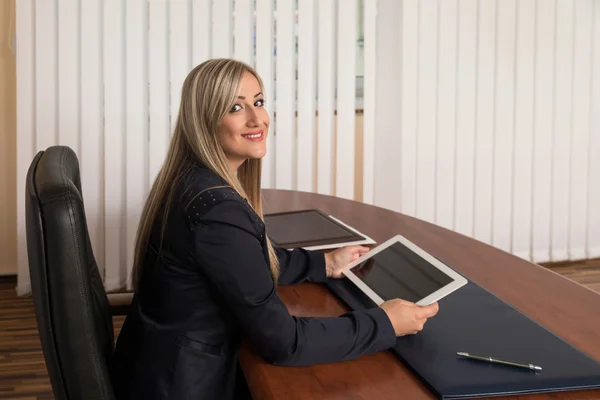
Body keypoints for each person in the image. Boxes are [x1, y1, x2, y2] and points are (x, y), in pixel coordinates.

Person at [110, 58, 439, 399]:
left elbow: (242, 259)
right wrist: (385, 323)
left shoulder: (187, 180)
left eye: (259, 101)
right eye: (235, 107)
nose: (257, 118)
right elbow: (284, 342)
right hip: (184, 386)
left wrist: (323, 264)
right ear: (204, 120)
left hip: (154, 370)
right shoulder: (218, 210)